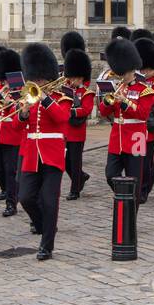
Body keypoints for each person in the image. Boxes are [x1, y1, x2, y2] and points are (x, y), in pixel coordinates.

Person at [16, 43, 72, 261]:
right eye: (34, 79)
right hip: (31, 154)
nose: (37, 83)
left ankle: (46, 245)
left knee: (49, 201)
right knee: (26, 197)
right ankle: (44, 227)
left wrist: (45, 99)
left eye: (40, 79)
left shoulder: (61, 97)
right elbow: (15, 126)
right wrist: (22, 114)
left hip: (52, 154)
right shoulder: (28, 98)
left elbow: (63, 119)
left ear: (48, 77)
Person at [98, 37, 154, 192]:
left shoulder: (144, 90)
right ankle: (123, 198)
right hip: (117, 138)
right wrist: (107, 102)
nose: (121, 76)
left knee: (135, 181)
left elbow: (142, 114)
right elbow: (104, 113)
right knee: (110, 175)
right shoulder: (117, 87)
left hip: (136, 138)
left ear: (132, 70)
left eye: (123, 72)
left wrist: (124, 102)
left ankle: (131, 210)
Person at [0, 47, 24, 217]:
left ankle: (11, 203)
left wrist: (11, 102)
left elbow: (22, 110)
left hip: (13, 135)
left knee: (10, 171)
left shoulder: (21, 87)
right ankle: (8, 190)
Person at [134, 37, 154, 203]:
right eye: (143, 69)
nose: (145, 72)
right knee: (138, 160)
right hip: (137, 127)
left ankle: (145, 189)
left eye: (148, 69)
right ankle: (141, 185)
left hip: (151, 127)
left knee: (147, 161)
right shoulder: (137, 82)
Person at [60, 43, 94, 200]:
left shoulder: (86, 93)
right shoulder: (64, 89)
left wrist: (70, 111)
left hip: (77, 132)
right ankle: (80, 177)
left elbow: (86, 110)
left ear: (81, 77)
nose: (72, 80)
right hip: (65, 131)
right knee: (66, 162)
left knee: (75, 162)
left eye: (75, 77)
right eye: (71, 76)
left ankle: (75, 190)